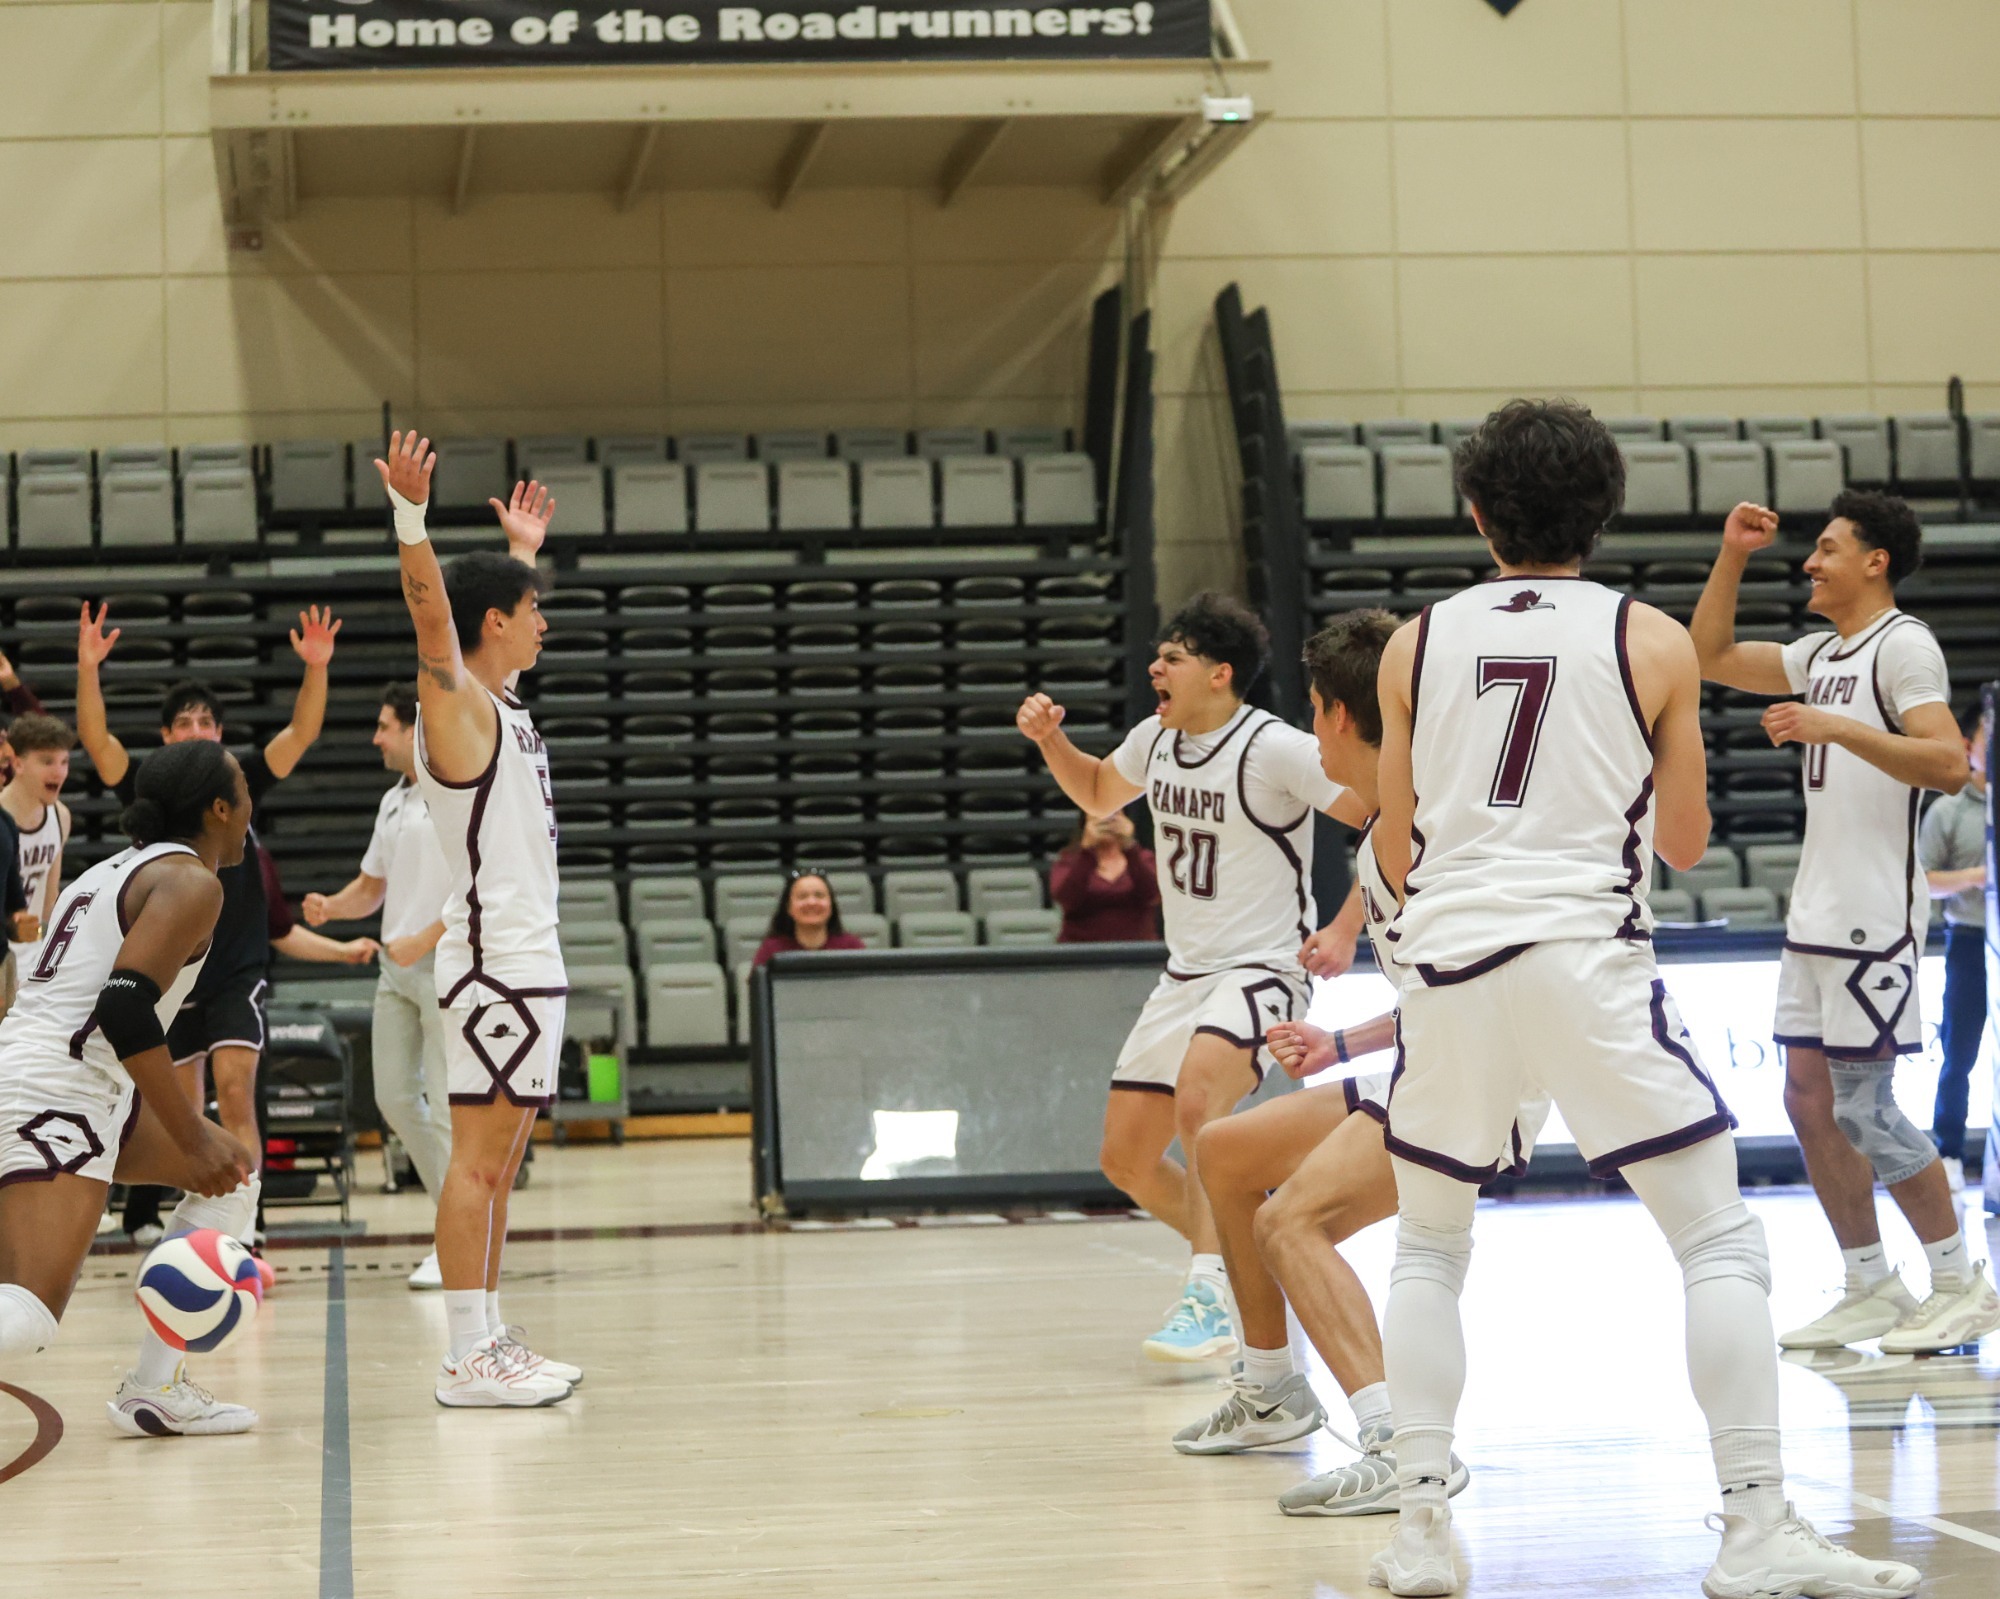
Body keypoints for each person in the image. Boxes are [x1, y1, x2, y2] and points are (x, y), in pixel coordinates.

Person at [1366, 400, 1914, 1597]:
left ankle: (1416, 1533)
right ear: (1603, 512)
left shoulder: (1412, 643)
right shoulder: (1651, 639)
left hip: (1446, 957)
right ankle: (1752, 1528)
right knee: (1715, 1238)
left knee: (1427, 1247)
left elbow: (1394, 845)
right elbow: (1680, 840)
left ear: (1475, 513)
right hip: (1582, 952)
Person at [1175, 610, 1546, 1522]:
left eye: (1312, 709)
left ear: (1339, 716)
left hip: (1475, 1075)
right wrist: (1341, 1045)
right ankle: (1271, 1388)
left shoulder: (1429, 829)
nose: (1310, 730)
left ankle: (1401, 1446)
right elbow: (1438, 990)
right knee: (1224, 1153)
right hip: (1433, 1055)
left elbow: (1488, 982)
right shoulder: (1390, 815)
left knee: (1290, 1222)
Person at [1018, 592, 1366, 1361]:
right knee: (1126, 1159)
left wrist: (1346, 925)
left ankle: (1208, 1292)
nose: (1155, 667)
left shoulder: (1274, 747)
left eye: (1172, 656)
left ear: (1219, 673)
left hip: (1264, 966)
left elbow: (1387, 814)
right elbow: (1098, 791)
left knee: (1201, 1100)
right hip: (1184, 975)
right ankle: (1256, 1252)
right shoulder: (1155, 738)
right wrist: (1052, 741)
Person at [1691, 491, 1995, 1356]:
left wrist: (1834, 725)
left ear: (1875, 561)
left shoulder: (1904, 644)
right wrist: (1732, 553)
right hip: (1816, 911)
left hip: (1873, 916)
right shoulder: (1820, 651)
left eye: (1827, 548)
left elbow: (1947, 762)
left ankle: (1962, 1283)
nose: (1811, 562)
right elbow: (1708, 654)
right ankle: (1869, 1283)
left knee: (1865, 1108)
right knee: (1808, 1101)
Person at [377, 431, 579, 1407]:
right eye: (532, 609)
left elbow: (478, 618)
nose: (544, 623)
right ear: (494, 623)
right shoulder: (453, 703)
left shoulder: (499, 700)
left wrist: (519, 553)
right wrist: (411, 516)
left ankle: (488, 1336)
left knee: (498, 1171)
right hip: (496, 968)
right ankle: (465, 1355)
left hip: (525, 963)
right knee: (477, 1165)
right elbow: (437, 617)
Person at [0, 740, 263, 1437]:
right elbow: (122, 1005)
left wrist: (194, 1138)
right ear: (218, 808)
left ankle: (156, 1387)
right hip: (58, 1085)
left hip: (55, 1074)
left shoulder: (113, 870)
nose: (251, 805)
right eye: (243, 790)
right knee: (28, 1314)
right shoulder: (191, 882)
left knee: (232, 1178)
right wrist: (189, 1131)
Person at [78, 605, 343, 1246]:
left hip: (235, 972)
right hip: (173, 976)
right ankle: (196, 1228)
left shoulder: (236, 786)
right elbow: (97, 741)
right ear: (166, 736)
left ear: (220, 735)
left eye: (206, 722)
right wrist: (87, 668)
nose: (196, 731)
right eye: (184, 723)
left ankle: (244, 1225)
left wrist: (316, 668)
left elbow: (302, 733)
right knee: (183, 1108)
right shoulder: (152, 794)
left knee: (235, 1086)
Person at [303, 682, 452, 1289]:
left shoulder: (456, 790)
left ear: (416, 729)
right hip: (396, 970)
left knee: (446, 1109)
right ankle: (460, 1221)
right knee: (393, 1098)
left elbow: (480, 886)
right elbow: (372, 887)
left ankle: (457, 1240)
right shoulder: (393, 800)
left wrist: (428, 936)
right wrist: (331, 908)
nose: (375, 738)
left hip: (445, 965)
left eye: (385, 726)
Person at [1918, 706, 1990, 1195]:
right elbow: (1921, 879)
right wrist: (1976, 878)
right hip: (1970, 942)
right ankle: (1948, 1152)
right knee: (1959, 1054)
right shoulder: (1947, 809)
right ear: (1969, 746)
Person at [2, 715, 75, 960]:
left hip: (31, 956)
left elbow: (49, 901)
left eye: (64, 762)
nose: (59, 772)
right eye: (47, 761)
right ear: (18, 764)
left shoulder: (60, 817)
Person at [1049, 811, 1160, 942]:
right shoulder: (1069, 860)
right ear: (1085, 823)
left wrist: (1130, 848)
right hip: (1081, 950)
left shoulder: (1143, 858)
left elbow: (1154, 895)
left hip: (1138, 949)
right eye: (1099, 817)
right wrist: (1087, 852)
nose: (1107, 822)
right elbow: (1066, 899)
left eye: (1114, 815)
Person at [751, 872, 865, 967]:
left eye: (819, 895)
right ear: (788, 907)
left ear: (831, 905)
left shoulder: (851, 947)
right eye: (802, 896)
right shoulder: (771, 950)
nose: (811, 902)